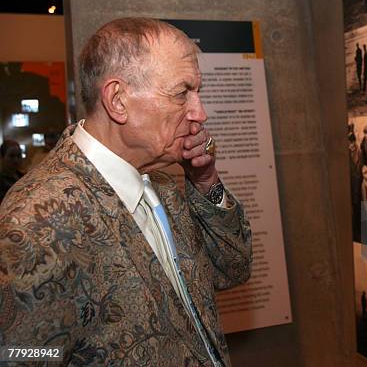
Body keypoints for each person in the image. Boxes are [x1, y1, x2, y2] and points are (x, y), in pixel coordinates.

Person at [0, 18, 252, 366]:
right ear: (118, 100)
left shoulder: (164, 184)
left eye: (198, 93)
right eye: (182, 93)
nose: (200, 113)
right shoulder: (37, 221)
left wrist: (205, 182)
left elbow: (233, 269)